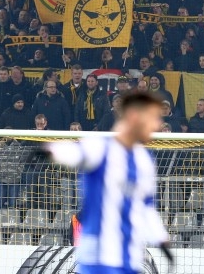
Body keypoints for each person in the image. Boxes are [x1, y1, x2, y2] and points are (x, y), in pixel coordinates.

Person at [44, 91, 173, 274]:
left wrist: (162, 240)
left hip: (128, 255)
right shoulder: (101, 147)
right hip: (98, 256)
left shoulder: (144, 160)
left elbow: (146, 205)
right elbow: (76, 154)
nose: (157, 125)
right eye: (152, 118)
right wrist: (50, 151)